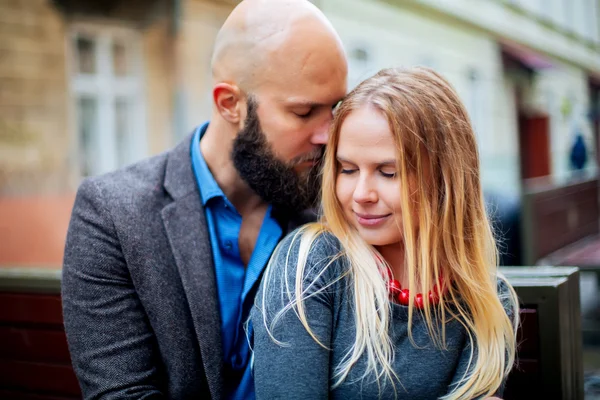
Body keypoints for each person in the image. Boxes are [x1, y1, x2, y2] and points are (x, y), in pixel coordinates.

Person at [61, 0, 347, 398]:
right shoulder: (111, 214)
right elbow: (123, 393)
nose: (327, 136)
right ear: (230, 104)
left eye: (335, 108)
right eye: (304, 112)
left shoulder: (343, 209)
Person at [251, 67, 519, 399]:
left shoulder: (486, 302)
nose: (361, 193)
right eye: (347, 170)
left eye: (388, 172)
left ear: (445, 180)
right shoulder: (311, 263)